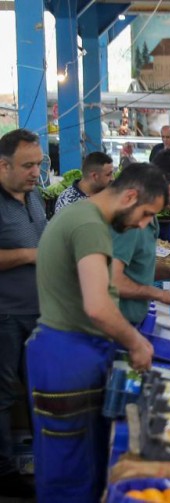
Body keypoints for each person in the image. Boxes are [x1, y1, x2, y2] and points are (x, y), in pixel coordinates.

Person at [29, 163, 164, 500]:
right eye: (146, 214)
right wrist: (135, 342)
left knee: (68, 459)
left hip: (64, 352)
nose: (144, 224)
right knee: (73, 471)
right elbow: (98, 305)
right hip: (69, 358)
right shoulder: (89, 226)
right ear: (130, 196)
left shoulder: (81, 217)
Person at [0, 129, 46, 497]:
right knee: (2, 395)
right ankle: (5, 475)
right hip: (5, 315)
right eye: (28, 165)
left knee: (39, 389)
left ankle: (44, 462)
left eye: (39, 164)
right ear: (3, 165)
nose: (36, 172)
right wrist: (30, 256)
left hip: (38, 313)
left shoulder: (33, 198)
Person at [112, 149, 170, 326]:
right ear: (161, 180)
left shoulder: (150, 217)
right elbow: (112, 280)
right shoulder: (133, 219)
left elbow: (136, 267)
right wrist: (160, 294)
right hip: (116, 327)